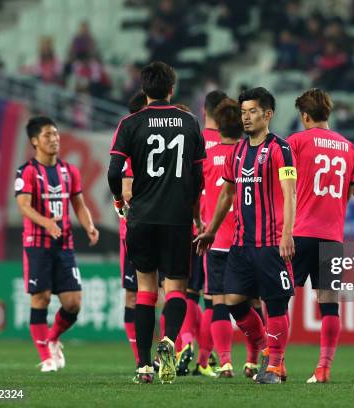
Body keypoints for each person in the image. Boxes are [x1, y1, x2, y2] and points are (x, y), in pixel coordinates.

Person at [107, 61, 205, 384]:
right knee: (176, 287)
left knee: (145, 290)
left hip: (142, 218)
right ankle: (169, 341)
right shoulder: (190, 123)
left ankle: (144, 366)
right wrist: (195, 216)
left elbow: (113, 172)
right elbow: (198, 179)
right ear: (172, 89)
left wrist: (121, 203)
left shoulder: (130, 124)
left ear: (144, 90)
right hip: (177, 218)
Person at [195, 87, 297, 384]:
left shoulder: (280, 148)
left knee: (276, 303)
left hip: (271, 242)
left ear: (268, 114)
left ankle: (276, 367)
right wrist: (211, 231)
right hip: (241, 243)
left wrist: (287, 234)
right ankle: (267, 347)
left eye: (253, 111)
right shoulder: (237, 151)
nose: (247, 117)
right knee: (234, 302)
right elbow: (227, 194)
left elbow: (290, 194)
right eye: (243, 112)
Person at [15, 116, 99, 372]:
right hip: (37, 244)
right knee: (40, 298)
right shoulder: (27, 172)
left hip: (64, 245)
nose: (54, 139)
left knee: (73, 303)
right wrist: (47, 223)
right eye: (47, 135)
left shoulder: (69, 171)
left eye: (55, 134)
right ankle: (47, 357)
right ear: (34, 142)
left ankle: (52, 339)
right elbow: (23, 206)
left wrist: (89, 226)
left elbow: (79, 204)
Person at [287, 89, 354, 383]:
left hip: (299, 233)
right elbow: (353, 192)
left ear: (304, 116)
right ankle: (324, 368)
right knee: (329, 303)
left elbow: (285, 187)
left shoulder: (295, 142)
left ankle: (275, 362)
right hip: (331, 237)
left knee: (278, 300)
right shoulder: (348, 148)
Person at [175, 90, 228, 378]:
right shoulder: (234, 145)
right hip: (218, 231)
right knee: (213, 298)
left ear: (204, 110)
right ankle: (205, 360)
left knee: (185, 293)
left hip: (188, 225)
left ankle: (184, 344)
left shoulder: (191, 141)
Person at [199, 97, 244, 378]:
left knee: (216, 302)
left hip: (212, 236)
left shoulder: (206, 154)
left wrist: (199, 223)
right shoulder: (248, 154)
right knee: (250, 302)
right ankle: (255, 359)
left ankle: (223, 361)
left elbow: (196, 193)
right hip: (244, 239)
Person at [115, 91, 147, 366]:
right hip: (135, 232)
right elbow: (126, 191)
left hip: (162, 227)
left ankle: (167, 353)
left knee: (167, 291)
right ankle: (141, 359)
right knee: (135, 293)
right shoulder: (130, 151)